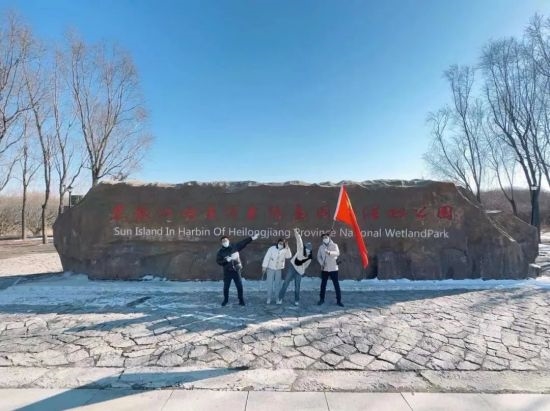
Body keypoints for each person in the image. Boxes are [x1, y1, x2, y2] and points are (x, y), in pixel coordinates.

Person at [216, 233, 258, 306]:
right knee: (226, 287)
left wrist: (251, 238)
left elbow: (243, 242)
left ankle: (241, 300)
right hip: (227, 272)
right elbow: (218, 261)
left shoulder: (234, 247)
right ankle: (225, 300)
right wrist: (226, 260)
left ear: (228, 241)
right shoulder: (220, 252)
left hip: (236, 270)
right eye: (223, 241)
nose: (225, 242)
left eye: (226, 240)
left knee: (239, 286)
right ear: (221, 243)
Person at [277, 228, 313, 305]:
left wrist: (301, 269)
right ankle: (280, 298)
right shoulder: (301, 248)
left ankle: (296, 300)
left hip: (299, 271)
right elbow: (299, 240)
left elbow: (306, 265)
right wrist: (296, 232)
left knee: (297, 286)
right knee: (286, 282)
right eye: (306, 248)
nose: (307, 250)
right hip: (292, 267)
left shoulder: (309, 258)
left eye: (309, 250)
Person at [262, 237, 292, 304]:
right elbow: (267, 257)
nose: (280, 244)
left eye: (282, 244)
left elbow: (289, 256)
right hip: (270, 268)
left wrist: (287, 247)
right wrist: (264, 267)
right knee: (269, 284)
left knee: (278, 284)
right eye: (279, 243)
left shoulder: (285, 250)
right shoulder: (272, 248)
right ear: (277, 242)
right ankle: (269, 298)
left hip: (278, 269)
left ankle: (277, 298)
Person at [317, 232, 343, 307]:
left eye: (326, 237)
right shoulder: (321, 247)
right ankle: (321, 299)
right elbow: (318, 256)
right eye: (323, 237)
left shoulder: (334, 245)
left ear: (329, 238)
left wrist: (329, 252)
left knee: (336, 285)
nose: (325, 239)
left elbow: (337, 253)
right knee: (323, 285)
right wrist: (321, 263)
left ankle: (339, 300)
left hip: (333, 268)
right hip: (324, 269)